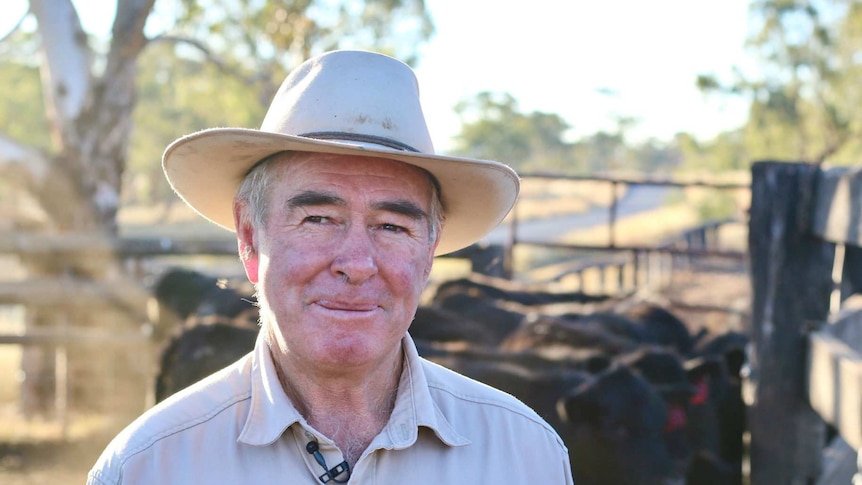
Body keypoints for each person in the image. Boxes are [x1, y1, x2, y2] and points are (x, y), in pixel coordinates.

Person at [87, 49, 574, 484]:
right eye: (318, 218)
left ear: (429, 251)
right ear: (250, 236)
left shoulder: (528, 456)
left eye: (392, 226)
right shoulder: (146, 468)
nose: (358, 264)